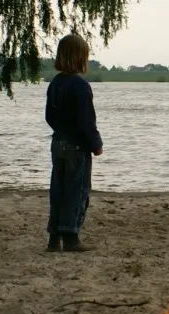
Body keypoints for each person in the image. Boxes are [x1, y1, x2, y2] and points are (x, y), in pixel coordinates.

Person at [44, 34, 103, 252]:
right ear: (80, 58)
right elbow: (86, 121)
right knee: (77, 191)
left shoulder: (55, 83)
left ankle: (54, 236)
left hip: (58, 142)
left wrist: (60, 130)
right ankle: (71, 236)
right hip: (77, 147)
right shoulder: (80, 86)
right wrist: (96, 144)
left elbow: (49, 116)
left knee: (58, 189)